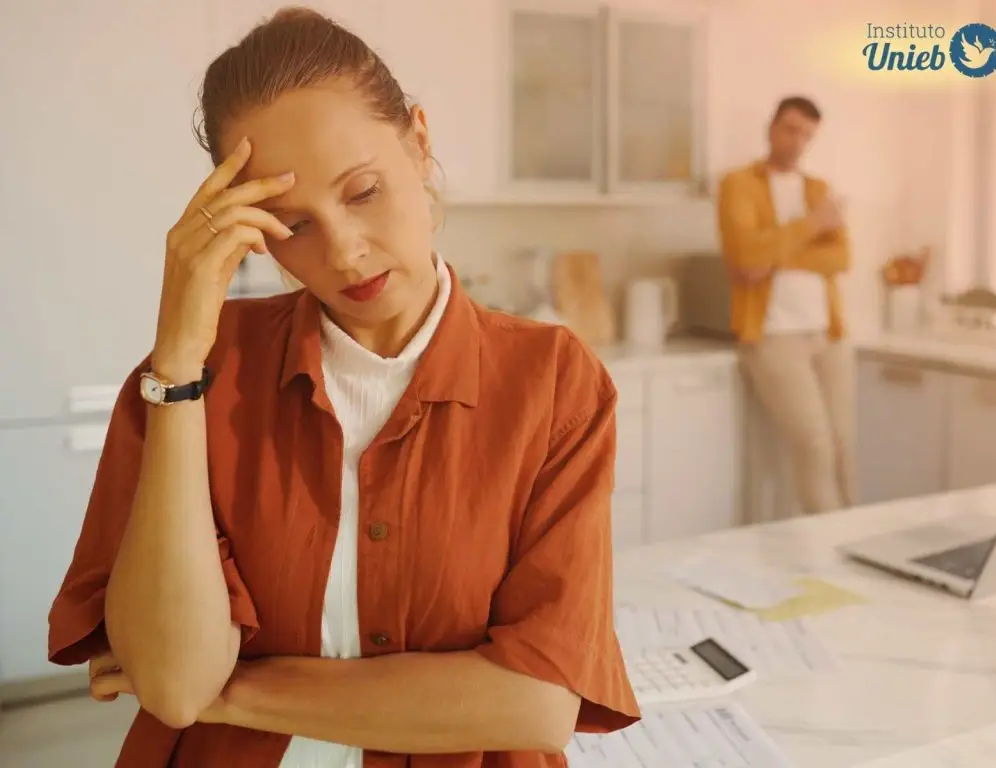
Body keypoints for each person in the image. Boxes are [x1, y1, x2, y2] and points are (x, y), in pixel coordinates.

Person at [47, 7, 639, 767]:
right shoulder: (193, 376)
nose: (346, 252)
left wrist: (225, 693)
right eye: (291, 225)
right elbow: (169, 677)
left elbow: (535, 706)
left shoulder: (553, 383)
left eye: (362, 193)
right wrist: (180, 365)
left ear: (418, 142)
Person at [716, 96, 855, 516]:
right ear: (772, 126)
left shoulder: (818, 189)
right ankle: (831, 545)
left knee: (843, 443)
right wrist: (813, 226)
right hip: (774, 337)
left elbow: (841, 258)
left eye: (807, 135)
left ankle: (855, 539)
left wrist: (772, 256)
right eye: (790, 129)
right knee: (813, 441)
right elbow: (744, 256)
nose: (797, 141)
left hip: (827, 333)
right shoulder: (738, 185)